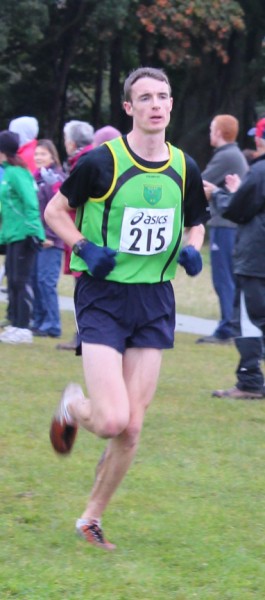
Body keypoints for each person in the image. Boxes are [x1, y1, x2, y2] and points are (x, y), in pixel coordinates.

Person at [45, 66, 209, 550]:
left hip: (155, 300)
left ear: (172, 104)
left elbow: (195, 220)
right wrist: (82, 248)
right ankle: (73, 407)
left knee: (132, 427)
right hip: (104, 296)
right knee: (112, 419)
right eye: (145, 98)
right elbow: (57, 211)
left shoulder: (185, 166)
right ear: (129, 107)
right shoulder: (101, 162)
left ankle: (90, 518)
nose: (156, 105)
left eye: (163, 96)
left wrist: (192, 246)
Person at [203, 117, 265, 399]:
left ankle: (250, 381)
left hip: (255, 257)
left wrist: (217, 194)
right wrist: (240, 190)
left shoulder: (260, 170)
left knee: (251, 319)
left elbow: (240, 210)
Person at [196, 115, 248, 345]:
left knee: (223, 278)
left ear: (218, 132)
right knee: (230, 278)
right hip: (231, 226)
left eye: (211, 129)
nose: (210, 133)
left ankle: (227, 328)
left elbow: (199, 182)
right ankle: (231, 325)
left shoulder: (226, 156)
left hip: (225, 226)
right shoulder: (232, 155)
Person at [0, 131, 45, 344]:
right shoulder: (7, 174)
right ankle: (16, 324)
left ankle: (24, 328)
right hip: (11, 235)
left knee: (21, 281)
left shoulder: (18, 173)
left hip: (25, 235)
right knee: (13, 282)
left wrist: (34, 232)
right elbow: (7, 209)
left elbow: (30, 204)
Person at [56, 120, 94, 351]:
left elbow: (72, 201)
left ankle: (84, 337)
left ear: (71, 142)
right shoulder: (87, 158)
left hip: (81, 233)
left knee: (84, 286)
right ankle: (83, 336)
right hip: (80, 231)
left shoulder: (84, 162)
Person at [31, 139, 66, 337]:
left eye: (43, 154)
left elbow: (58, 209)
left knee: (46, 282)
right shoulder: (37, 178)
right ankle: (39, 320)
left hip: (52, 240)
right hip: (37, 238)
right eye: (36, 154)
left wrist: (51, 235)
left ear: (52, 156)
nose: (38, 158)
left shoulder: (56, 178)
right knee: (35, 280)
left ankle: (53, 324)